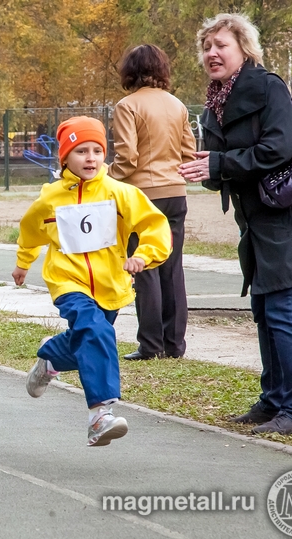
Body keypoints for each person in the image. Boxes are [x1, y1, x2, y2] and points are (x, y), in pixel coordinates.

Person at [179, 13, 292, 435]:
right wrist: (208, 169)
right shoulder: (215, 102)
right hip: (259, 219)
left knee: (285, 311)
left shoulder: (268, 87)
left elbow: (279, 148)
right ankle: (273, 401)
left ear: (244, 50)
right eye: (207, 47)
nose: (212, 53)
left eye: (221, 45)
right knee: (265, 310)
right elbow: (220, 166)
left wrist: (220, 163)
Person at [12, 116, 171, 446]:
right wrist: (23, 263)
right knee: (97, 333)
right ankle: (100, 414)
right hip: (68, 281)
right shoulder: (50, 199)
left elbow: (155, 225)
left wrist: (144, 254)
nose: (90, 158)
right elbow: (30, 231)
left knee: (89, 340)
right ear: (65, 157)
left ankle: (51, 356)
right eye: (81, 151)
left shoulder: (120, 194)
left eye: (97, 150)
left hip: (111, 285)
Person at [108, 44, 196, 360]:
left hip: (142, 197)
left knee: (144, 269)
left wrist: (108, 175)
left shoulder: (127, 106)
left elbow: (128, 157)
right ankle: (175, 344)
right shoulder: (178, 106)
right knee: (172, 268)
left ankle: (150, 344)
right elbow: (189, 152)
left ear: (129, 72)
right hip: (175, 193)